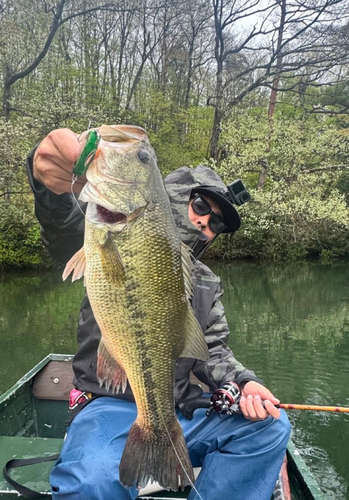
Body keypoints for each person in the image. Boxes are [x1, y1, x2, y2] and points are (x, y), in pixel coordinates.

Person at [27, 127, 291, 500]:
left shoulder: (205, 282)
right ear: (171, 194)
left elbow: (213, 351)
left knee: (271, 428)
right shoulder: (104, 228)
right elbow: (59, 223)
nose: (205, 223)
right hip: (108, 405)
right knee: (91, 484)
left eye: (216, 223)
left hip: (178, 407)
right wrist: (45, 182)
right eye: (201, 206)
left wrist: (245, 382)